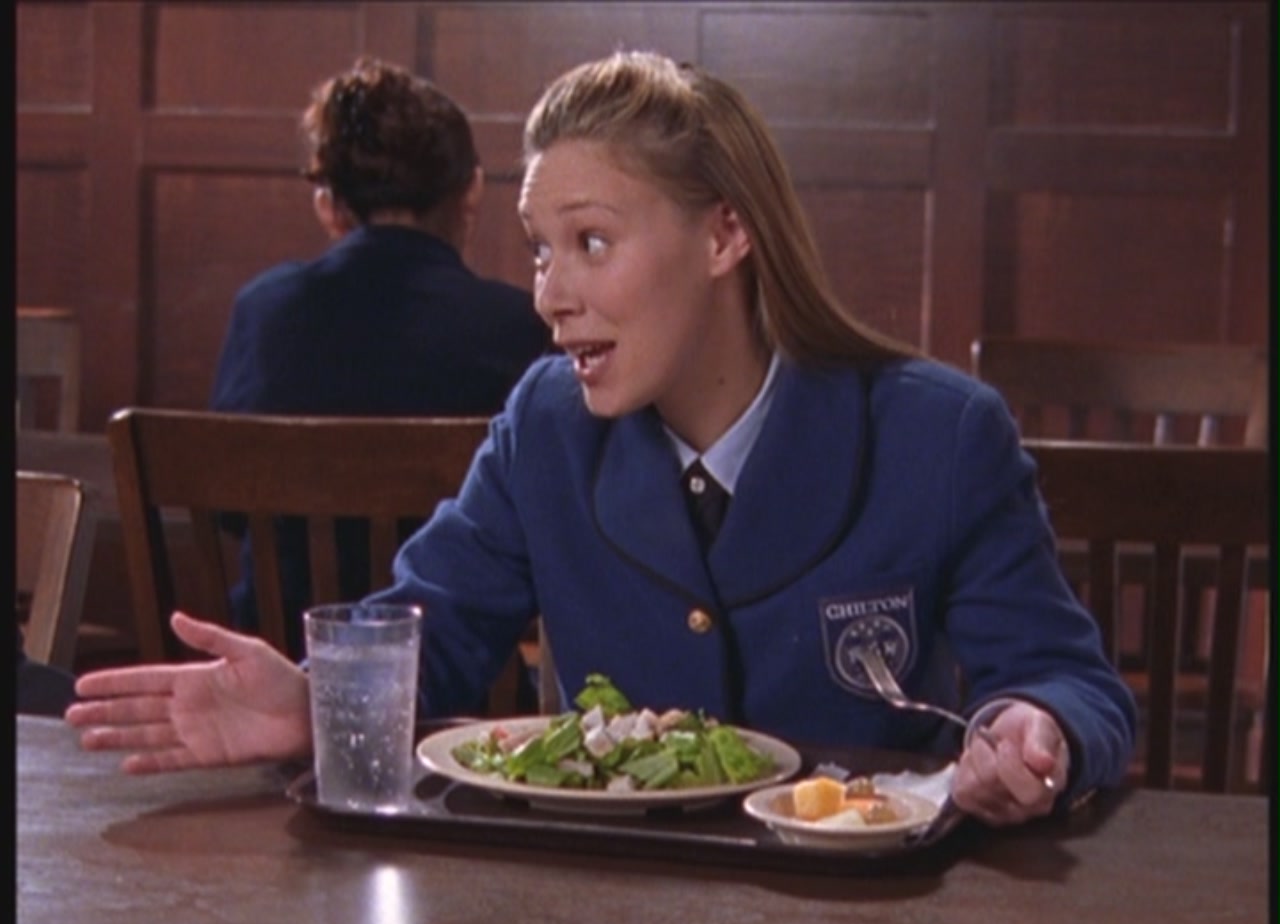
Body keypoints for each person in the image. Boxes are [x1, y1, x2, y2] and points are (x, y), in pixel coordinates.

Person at [66, 51, 1136, 828]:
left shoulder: (938, 433)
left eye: (590, 242)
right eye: (540, 250)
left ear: (725, 233)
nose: (549, 296)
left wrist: (1034, 726)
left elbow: (1069, 683)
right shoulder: (545, 423)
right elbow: (435, 627)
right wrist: (318, 701)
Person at [208, 57, 550, 660]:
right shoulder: (521, 326)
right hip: (465, 695)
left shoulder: (262, 311)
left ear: (329, 204)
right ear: (472, 191)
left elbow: (231, 513)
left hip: (278, 669)